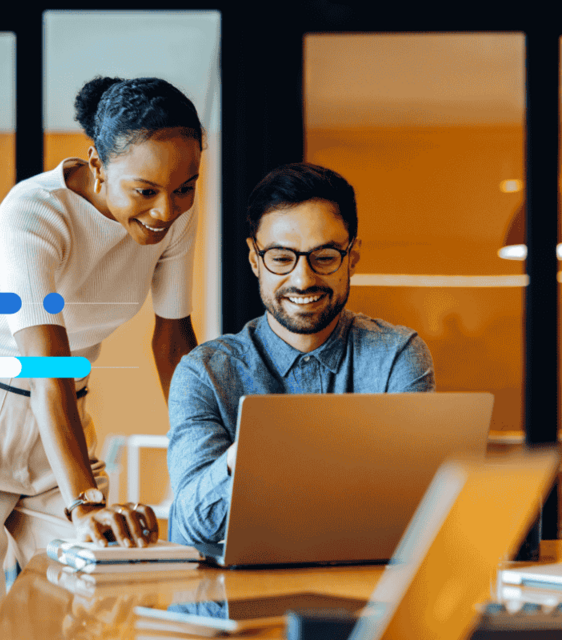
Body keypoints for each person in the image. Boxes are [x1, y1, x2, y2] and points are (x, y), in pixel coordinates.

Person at [0, 76, 203, 640]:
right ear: (97, 165)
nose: (167, 209)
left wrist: (203, 455)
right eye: (145, 191)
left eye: (185, 187)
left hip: (61, 427)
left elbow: (173, 342)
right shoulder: (34, 213)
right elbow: (46, 367)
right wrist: (85, 501)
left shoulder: (174, 213)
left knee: (98, 612)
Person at [166, 162, 435, 547]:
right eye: (281, 258)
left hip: (361, 582)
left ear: (352, 257)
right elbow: (194, 524)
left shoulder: (396, 357)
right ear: (255, 260)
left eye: (324, 257)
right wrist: (247, 456)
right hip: (237, 586)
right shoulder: (204, 373)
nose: (303, 279)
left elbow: (418, 510)